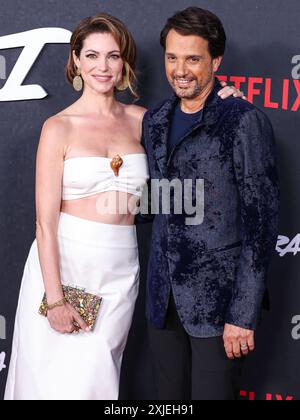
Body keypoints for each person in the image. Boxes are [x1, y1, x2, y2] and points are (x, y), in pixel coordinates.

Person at [4, 13, 243, 401]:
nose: (103, 66)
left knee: (98, 379)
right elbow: (44, 223)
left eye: (113, 56)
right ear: (76, 61)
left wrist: (224, 100)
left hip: (120, 266)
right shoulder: (58, 128)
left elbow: (191, 138)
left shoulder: (144, 121)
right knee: (54, 381)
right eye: (93, 55)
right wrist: (56, 299)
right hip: (65, 264)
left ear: (124, 63)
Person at [141, 7, 280, 400]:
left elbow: (261, 226)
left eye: (193, 58)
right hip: (162, 301)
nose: (180, 69)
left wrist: (242, 314)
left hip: (219, 308)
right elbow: (158, 201)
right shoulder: (154, 120)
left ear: (215, 61)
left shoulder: (242, 120)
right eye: (172, 57)